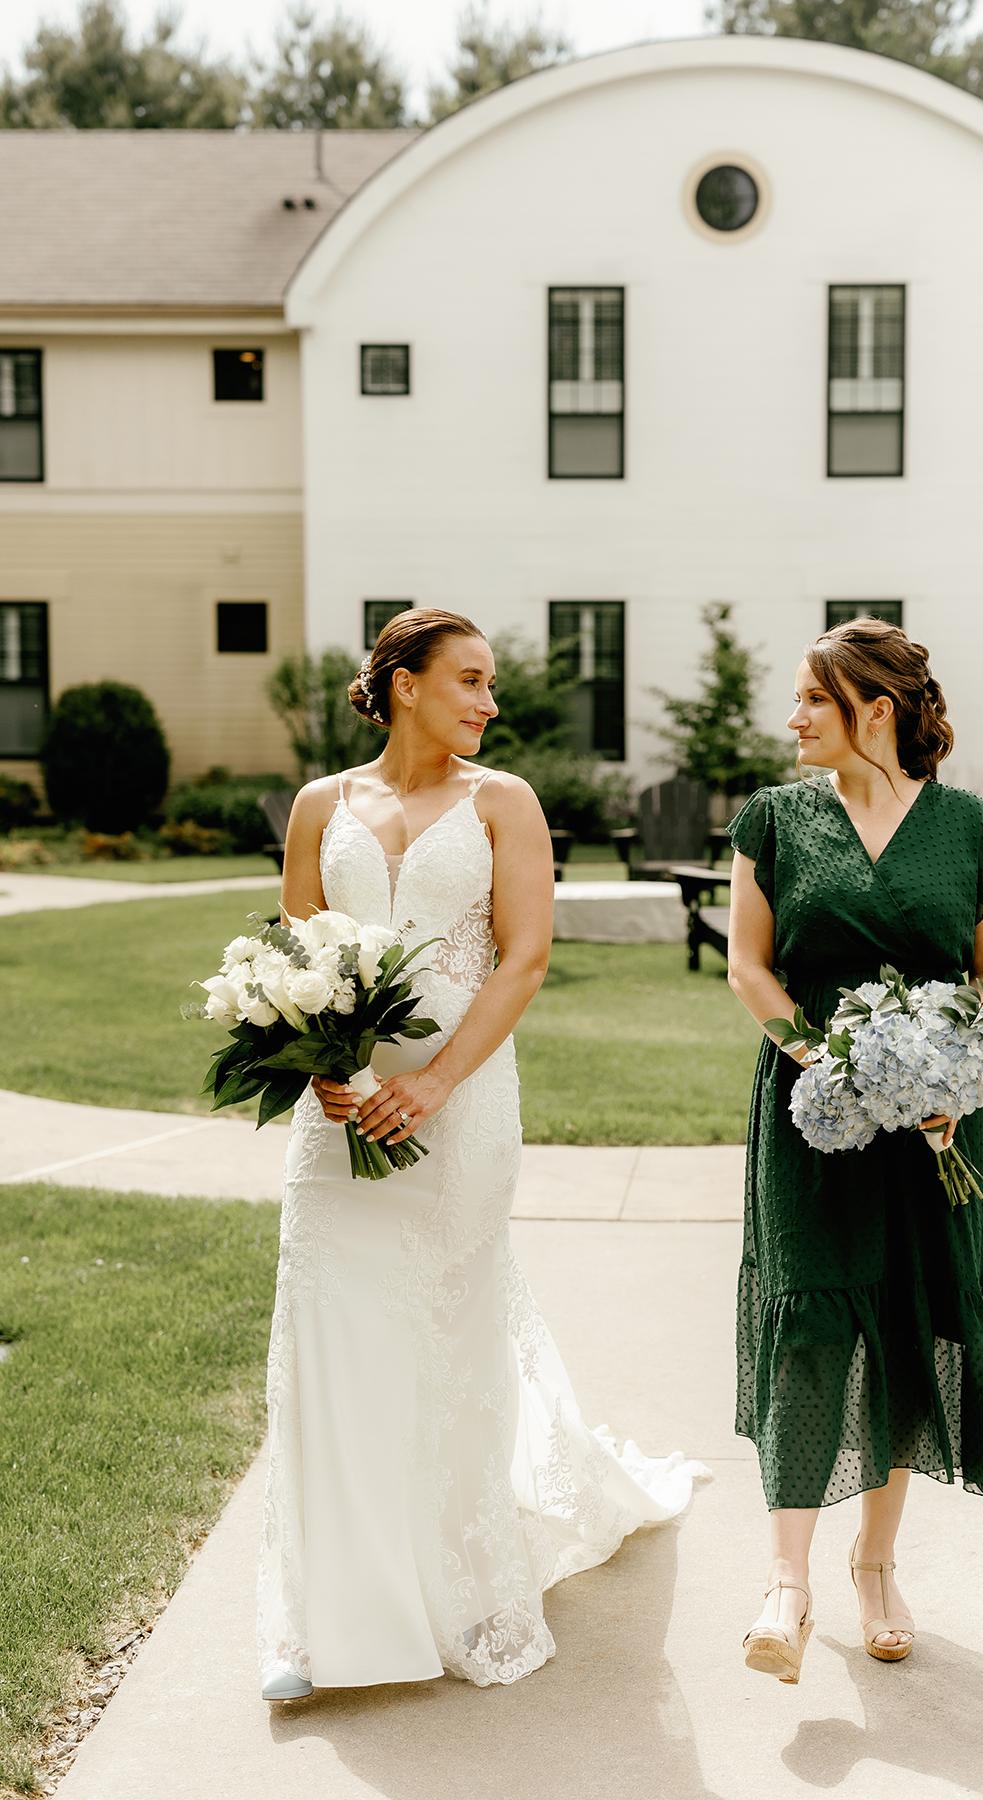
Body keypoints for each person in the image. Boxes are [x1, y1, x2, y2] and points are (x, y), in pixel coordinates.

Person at [257, 607, 706, 1700]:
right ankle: (321, 1617)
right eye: (469, 679)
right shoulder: (323, 806)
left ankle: (460, 1590)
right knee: (332, 1338)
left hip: (461, 1108)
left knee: (447, 1338)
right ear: (401, 683)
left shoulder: (502, 801)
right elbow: (298, 952)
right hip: (341, 1115)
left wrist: (436, 1080)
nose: (487, 702)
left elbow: (526, 955)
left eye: (491, 685)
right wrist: (319, 1060)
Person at [726, 616, 983, 1685]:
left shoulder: (972, 829)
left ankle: (875, 1564)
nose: (792, 720)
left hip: (937, 1127)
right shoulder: (774, 820)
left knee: (908, 1319)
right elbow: (749, 968)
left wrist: (951, 1071)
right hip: (812, 1114)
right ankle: (787, 1582)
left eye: (811, 701)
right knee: (813, 1319)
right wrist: (822, 1059)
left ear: (873, 709)